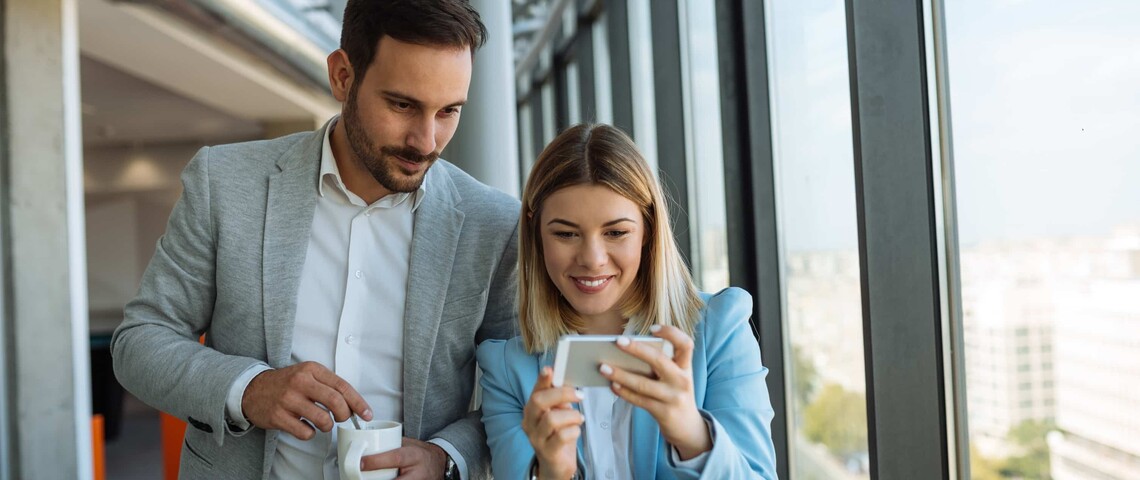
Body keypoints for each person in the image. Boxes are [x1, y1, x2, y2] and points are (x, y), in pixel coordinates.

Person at [111, 1, 518, 479]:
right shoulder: (223, 182)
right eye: (403, 105)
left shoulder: (492, 223)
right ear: (343, 75)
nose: (426, 141)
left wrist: (446, 456)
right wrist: (248, 389)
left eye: (448, 111)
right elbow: (140, 341)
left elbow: (513, 389)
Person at [476, 124, 778, 479]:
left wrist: (692, 434)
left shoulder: (720, 330)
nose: (592, 258)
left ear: (647, 228)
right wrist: (551, 471)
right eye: (565, 233)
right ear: (536, 231)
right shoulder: (507, 369)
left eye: (616, 232)